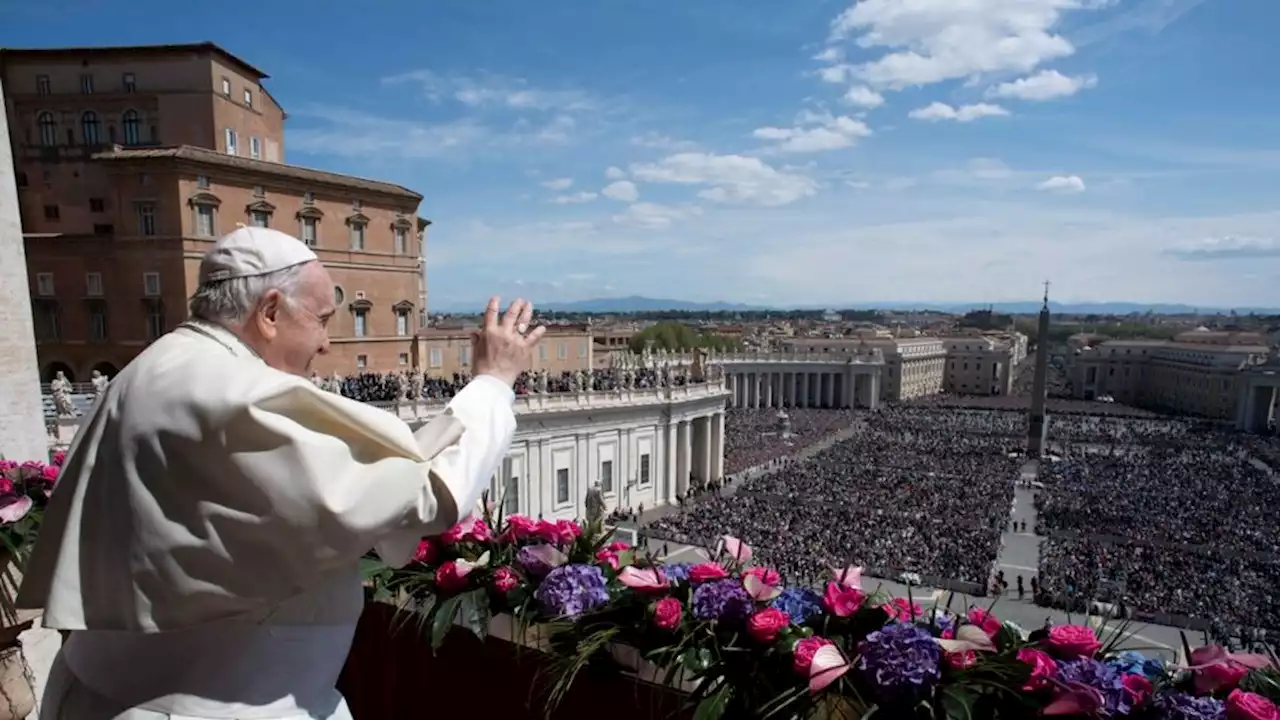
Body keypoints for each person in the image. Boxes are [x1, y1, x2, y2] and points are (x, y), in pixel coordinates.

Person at [18, 226, 546, 719]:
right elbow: (428, 496)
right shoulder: (233, 393)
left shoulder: (156, 369)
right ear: (270, 311)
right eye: (321, 320)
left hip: (112, 689)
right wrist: (495, 384)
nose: (325, 344)